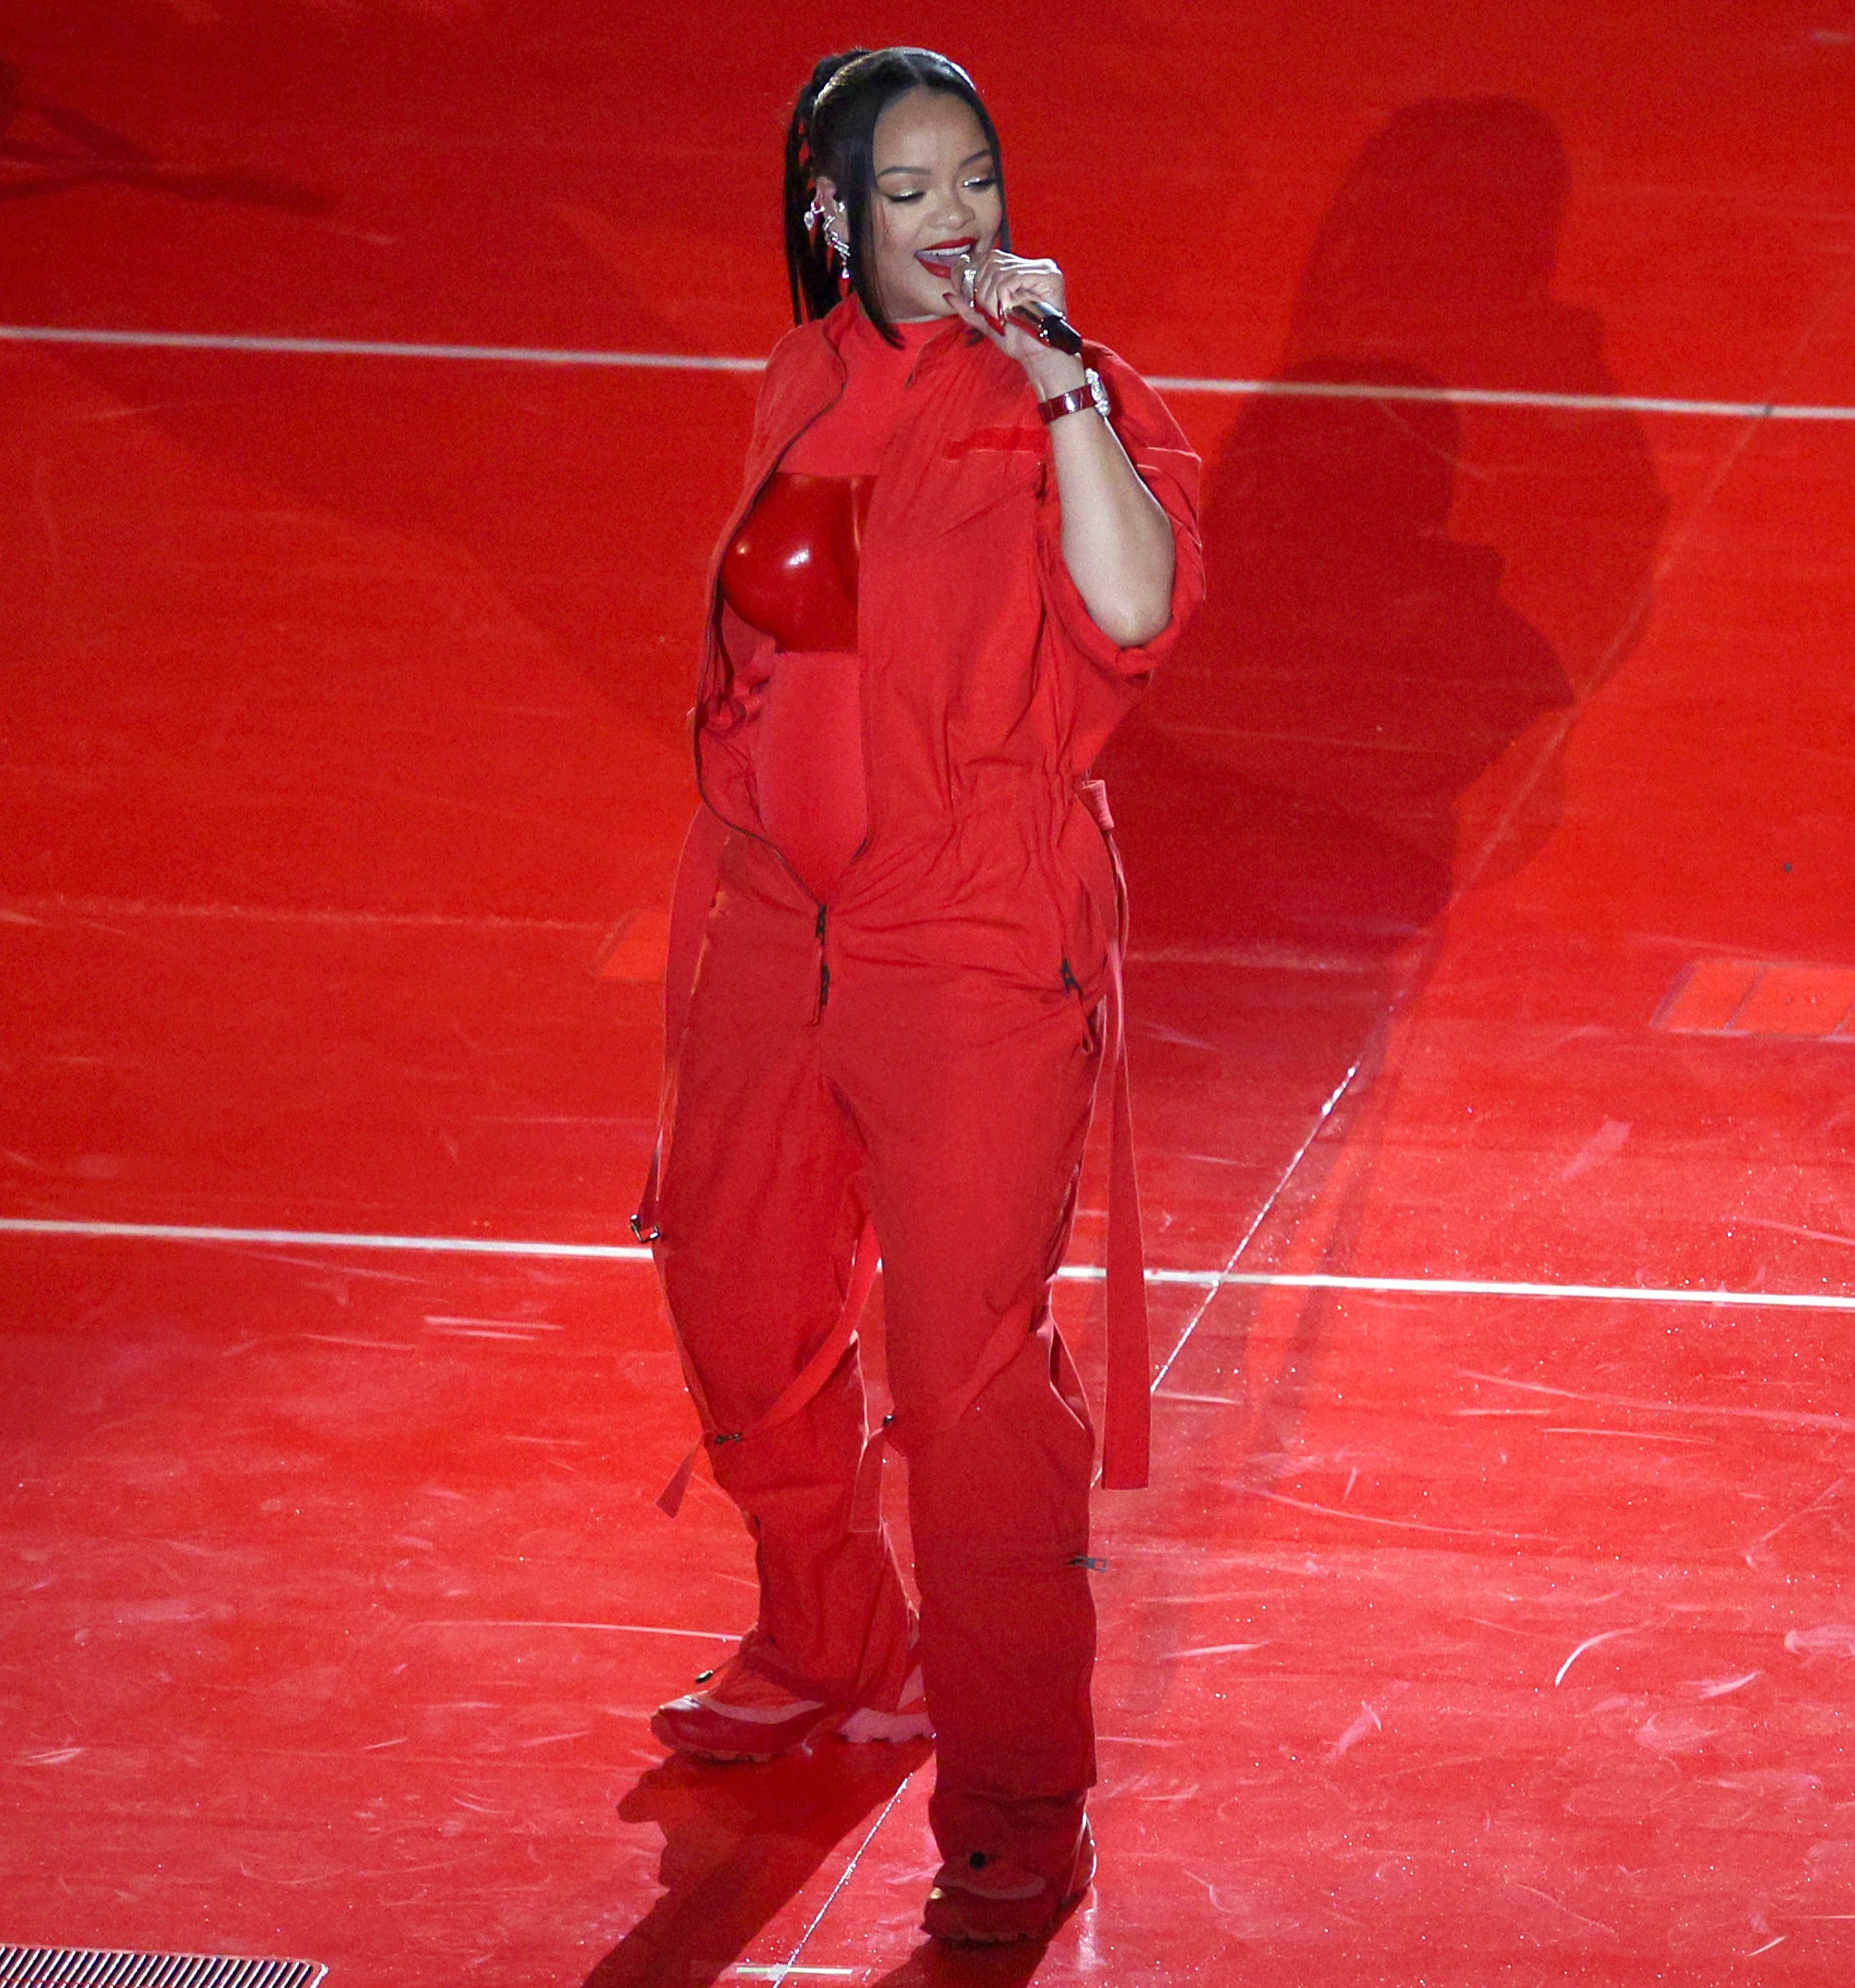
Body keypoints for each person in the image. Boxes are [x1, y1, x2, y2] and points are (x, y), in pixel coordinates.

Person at [633, 44, 1204, 1946]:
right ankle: (826, 1635)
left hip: (965, 929)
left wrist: (1056, 388)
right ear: (830, 220)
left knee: (962, 1388)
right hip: (758, 918)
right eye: (909, 191)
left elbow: (1128, 612)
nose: (957, 221)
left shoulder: (1076, 396)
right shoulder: (798, 383)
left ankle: (1017, 1802)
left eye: (975, 180)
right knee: (728, 1283)